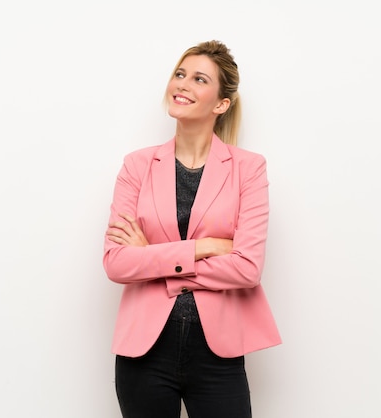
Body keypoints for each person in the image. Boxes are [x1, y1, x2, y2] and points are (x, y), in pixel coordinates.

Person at [103, 40, 282, 418]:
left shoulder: (248, 169)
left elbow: (247, 269)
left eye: (199, 79)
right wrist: (202, 247)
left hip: (217, 353)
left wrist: (152, 258)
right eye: (179, 74)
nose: (182, 84)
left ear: (221, 104)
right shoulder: (137, 166)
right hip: (143, 354)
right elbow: (117, 263)